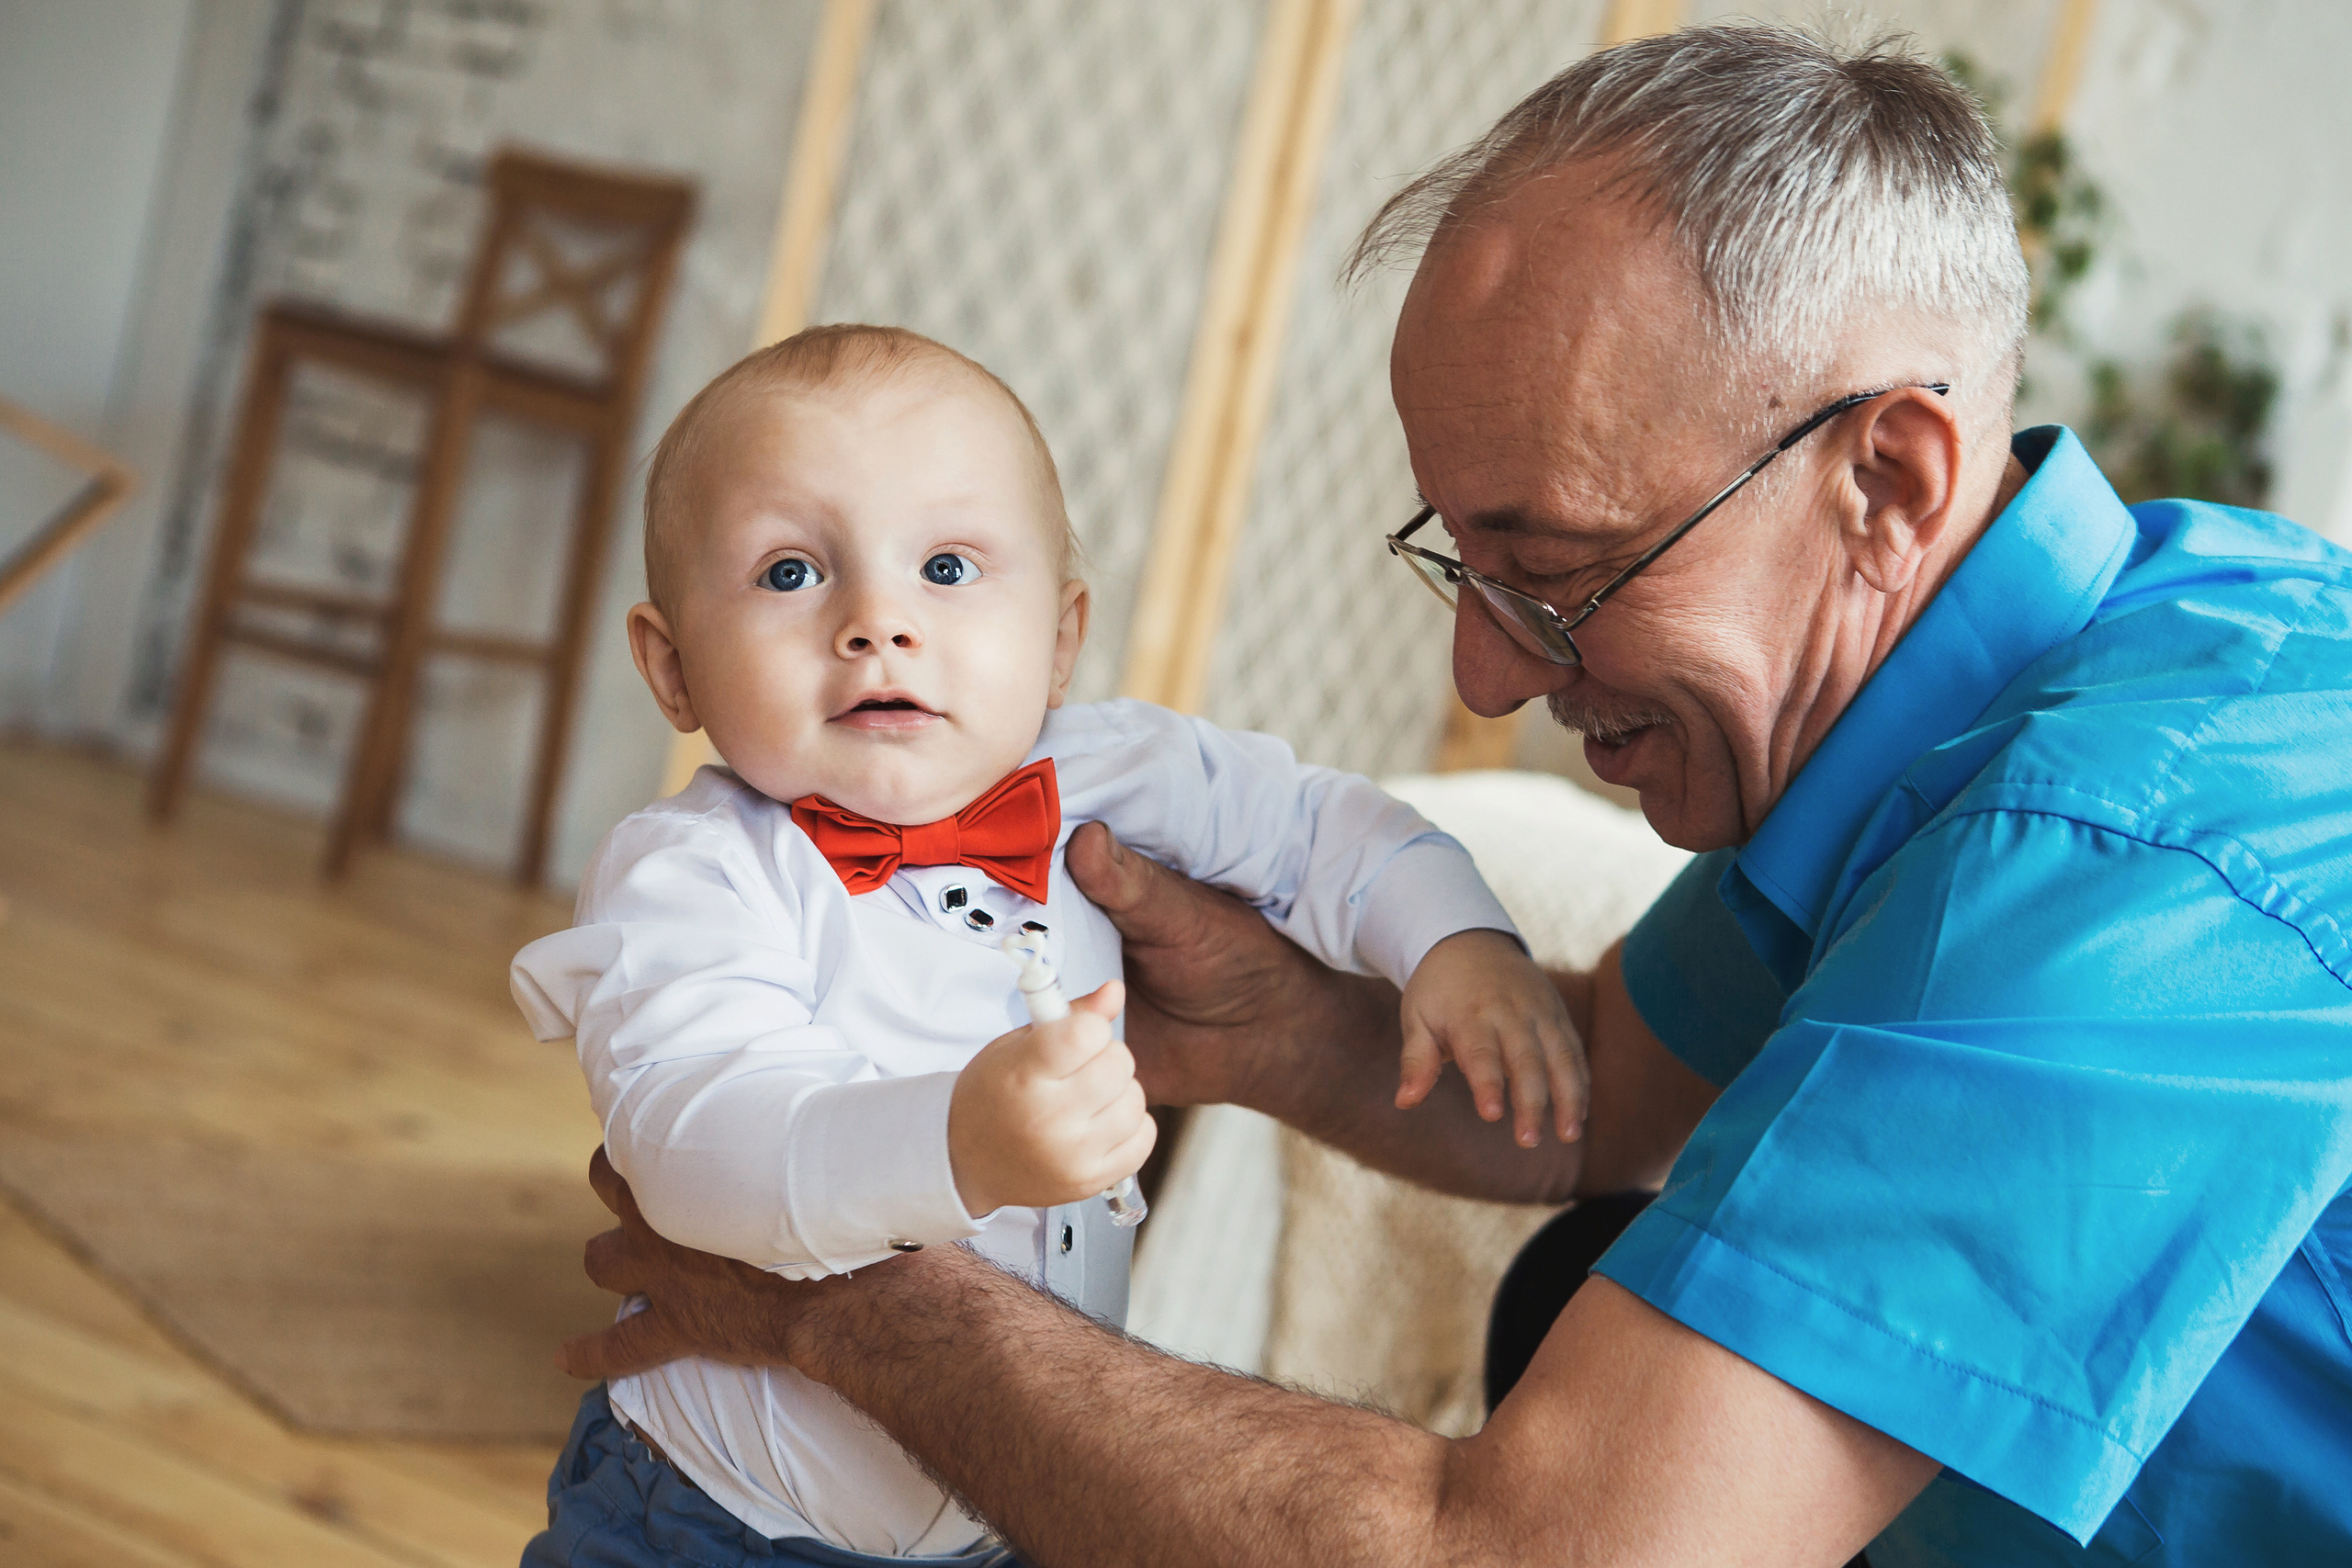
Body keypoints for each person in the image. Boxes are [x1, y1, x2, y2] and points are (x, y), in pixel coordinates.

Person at [555, 25, 2352, 1568]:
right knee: (1566, 1281)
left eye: (1552, 564)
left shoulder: (2128, 850)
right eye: (1458, 560)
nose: (1484, 676)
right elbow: (1593, 1101)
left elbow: (1531, 1551)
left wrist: (865, 1300)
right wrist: (1269, 1026)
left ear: (1884, 477)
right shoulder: (2040, 658)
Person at [507, 323, 1581, 1566]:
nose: (879, 623)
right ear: (672, 665)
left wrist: (1454, 941)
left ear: (1061, 639)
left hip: (1011, 1502)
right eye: (792, 574)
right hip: (718, 1520)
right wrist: (955, 1143)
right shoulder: (693, 872)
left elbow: (1317, 825)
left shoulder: (1109, 766)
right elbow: (700, 1147)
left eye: (950, 568)